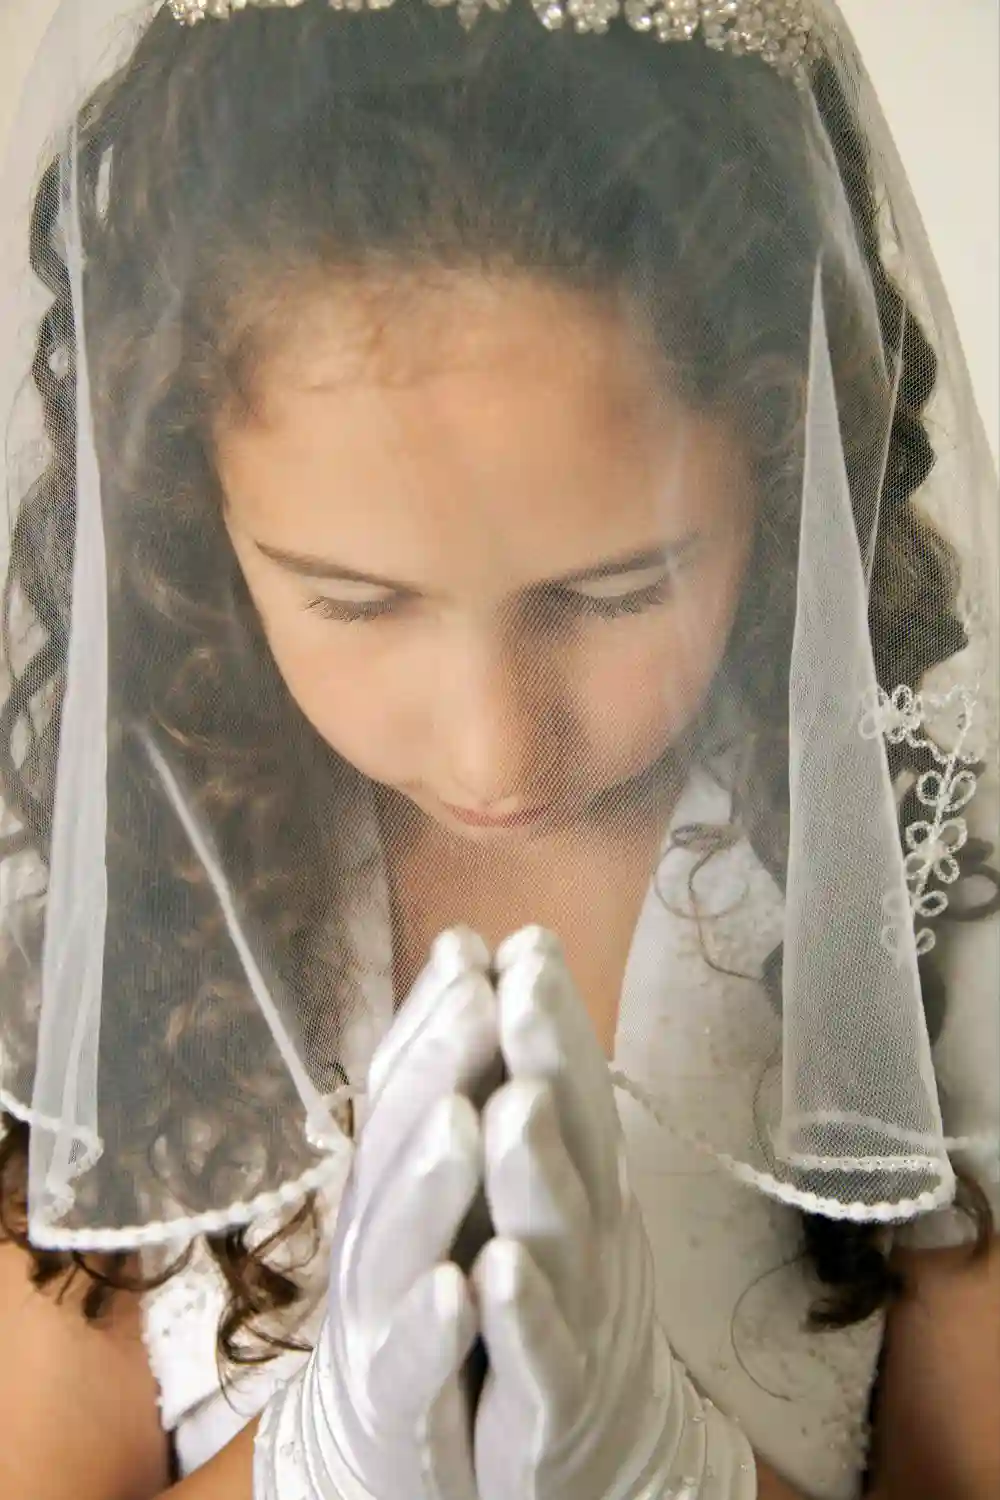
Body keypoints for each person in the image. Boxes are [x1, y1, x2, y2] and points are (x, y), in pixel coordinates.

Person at [0, 0, 997, 1496]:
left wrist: (680, 1475)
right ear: (184, 519)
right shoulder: (122, 900)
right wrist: (314, 1467)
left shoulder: (933, 937)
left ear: (793, 459)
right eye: (351, 599)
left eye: (613, 591)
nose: (493, 745)